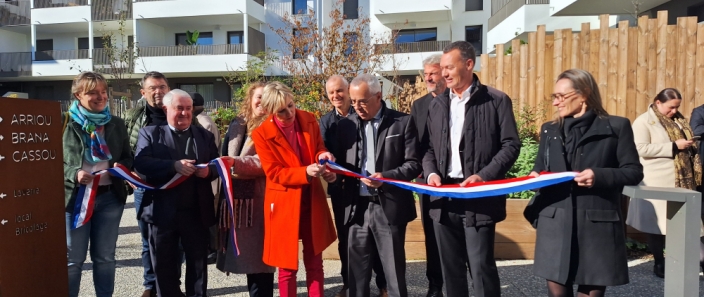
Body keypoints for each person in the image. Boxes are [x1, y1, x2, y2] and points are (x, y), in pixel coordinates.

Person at [527, 69, 643, 297]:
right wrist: (534, 177)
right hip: (555, 221)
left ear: (584, 94)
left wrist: (598, 176)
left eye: (562, 96)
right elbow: (540, 167)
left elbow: (633, 172)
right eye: (554, 96)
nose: (556, 102)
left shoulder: (617, 127)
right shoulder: (549, 130)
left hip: (596, 224)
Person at [422, 41, 521, 297]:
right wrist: (431, 173)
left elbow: (511, 146)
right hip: (444, 197)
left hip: (479, 196)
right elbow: (429, 149)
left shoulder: (497, 100)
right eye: (442, 68)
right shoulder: (437, 105)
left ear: (469, 64)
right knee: (451, 271)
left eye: (449, 67)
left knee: (481, 269)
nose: (443, 73)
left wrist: (484, 176)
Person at [334, 74, 421, 297]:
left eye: (362, 101)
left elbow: (413, 164)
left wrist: (387, 176)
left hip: (388, 207)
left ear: (379, 96)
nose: (357, 107)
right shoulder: (345, 126)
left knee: (393, 274)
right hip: (356, 209)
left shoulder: (402, 122)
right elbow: (341, 163)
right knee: (356, 277)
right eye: (353, 101)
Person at [252, 81, 337, 297]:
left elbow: (318, 147)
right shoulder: (261, 134)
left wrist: (322, 156)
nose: (290, 112)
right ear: (270, 111)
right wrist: (304, 172)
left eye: (291, 105)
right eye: (282, 110)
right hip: (283, 203)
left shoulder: (307, 118)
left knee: (315, 260)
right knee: (287, 267)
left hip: (311, 198)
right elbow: (275, 173)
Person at [134, 89, 220, 297]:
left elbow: (218, 165)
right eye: (179, 108)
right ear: (166, 109)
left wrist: (209, 171)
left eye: (188, 109)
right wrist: (173, 166)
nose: (184, 113)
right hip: (162, 212)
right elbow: (141, 163)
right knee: (164, 266)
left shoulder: (204, 135)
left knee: (198, 265)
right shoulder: (150, 133)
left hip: (196, 212)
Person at [63, 71, 132, 297]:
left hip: (110, 198)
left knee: (104, 258)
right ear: (78, 95)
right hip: (74, 198)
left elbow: (127, 156)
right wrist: (74, 173)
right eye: (92, 93)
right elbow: (50, 160)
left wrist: (120, 169)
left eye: (103, 92)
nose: (100, 97)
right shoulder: (64, 123)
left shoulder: (117, 123)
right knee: (73, 260)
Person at [319, 74, 388, 297]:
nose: (335, 96)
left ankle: (383, 283)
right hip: (343, 190)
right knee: (346, 240)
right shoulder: (326, 122)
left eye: (339, 91)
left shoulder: (366, 115)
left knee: (377, 239)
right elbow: (322, 152)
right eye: (331, 92)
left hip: (372, 187)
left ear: (349, 91)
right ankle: (349, 283)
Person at [629, 88, 702, 278]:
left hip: (680, 180)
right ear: (658, 102)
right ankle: (659, 263)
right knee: (656, 225)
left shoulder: (678, 120)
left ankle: (678, 262)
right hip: (656, 181)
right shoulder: (643, 121)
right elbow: (639, 148)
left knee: (679, 224)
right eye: (671, 107)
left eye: (677, 107)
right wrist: (673, 146)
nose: (674, 111)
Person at [216, 82, 276, 297]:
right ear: (250, 99)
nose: (261, 101)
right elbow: (223, 156)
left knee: (261, 262)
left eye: (266, 97)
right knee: (250, 260)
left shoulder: (274, 125)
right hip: (237, 203)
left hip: (260, 202)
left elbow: (269, 162)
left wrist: (234, 163)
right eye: (258, 96)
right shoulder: (237, 124)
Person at [123, 71, 170, 297]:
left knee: (174, 237)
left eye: (162, 86)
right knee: (147, 239)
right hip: (143, 187)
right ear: (143, 92)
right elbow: (125, 149)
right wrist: (129, 173)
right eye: (152, 88)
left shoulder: (176, 111)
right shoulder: (133, 116)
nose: (158, 91)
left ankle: (170, 282)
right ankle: (150, 285)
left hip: (173, 184)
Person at [409, 54, 446, 297]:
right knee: (431, 234)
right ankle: (434, 284)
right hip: (428, 181)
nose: (428, 78)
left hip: (456, 181)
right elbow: (415, 143)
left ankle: (457, 282)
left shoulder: (455, 101)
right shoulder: (419, 105)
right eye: (426, 74)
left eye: (433, 73)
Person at [192, 91, 221, 265]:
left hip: (207, 173)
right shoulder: (206, 119)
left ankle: (213, 248)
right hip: (208, 172)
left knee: (210, 213)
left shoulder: (203, 123)